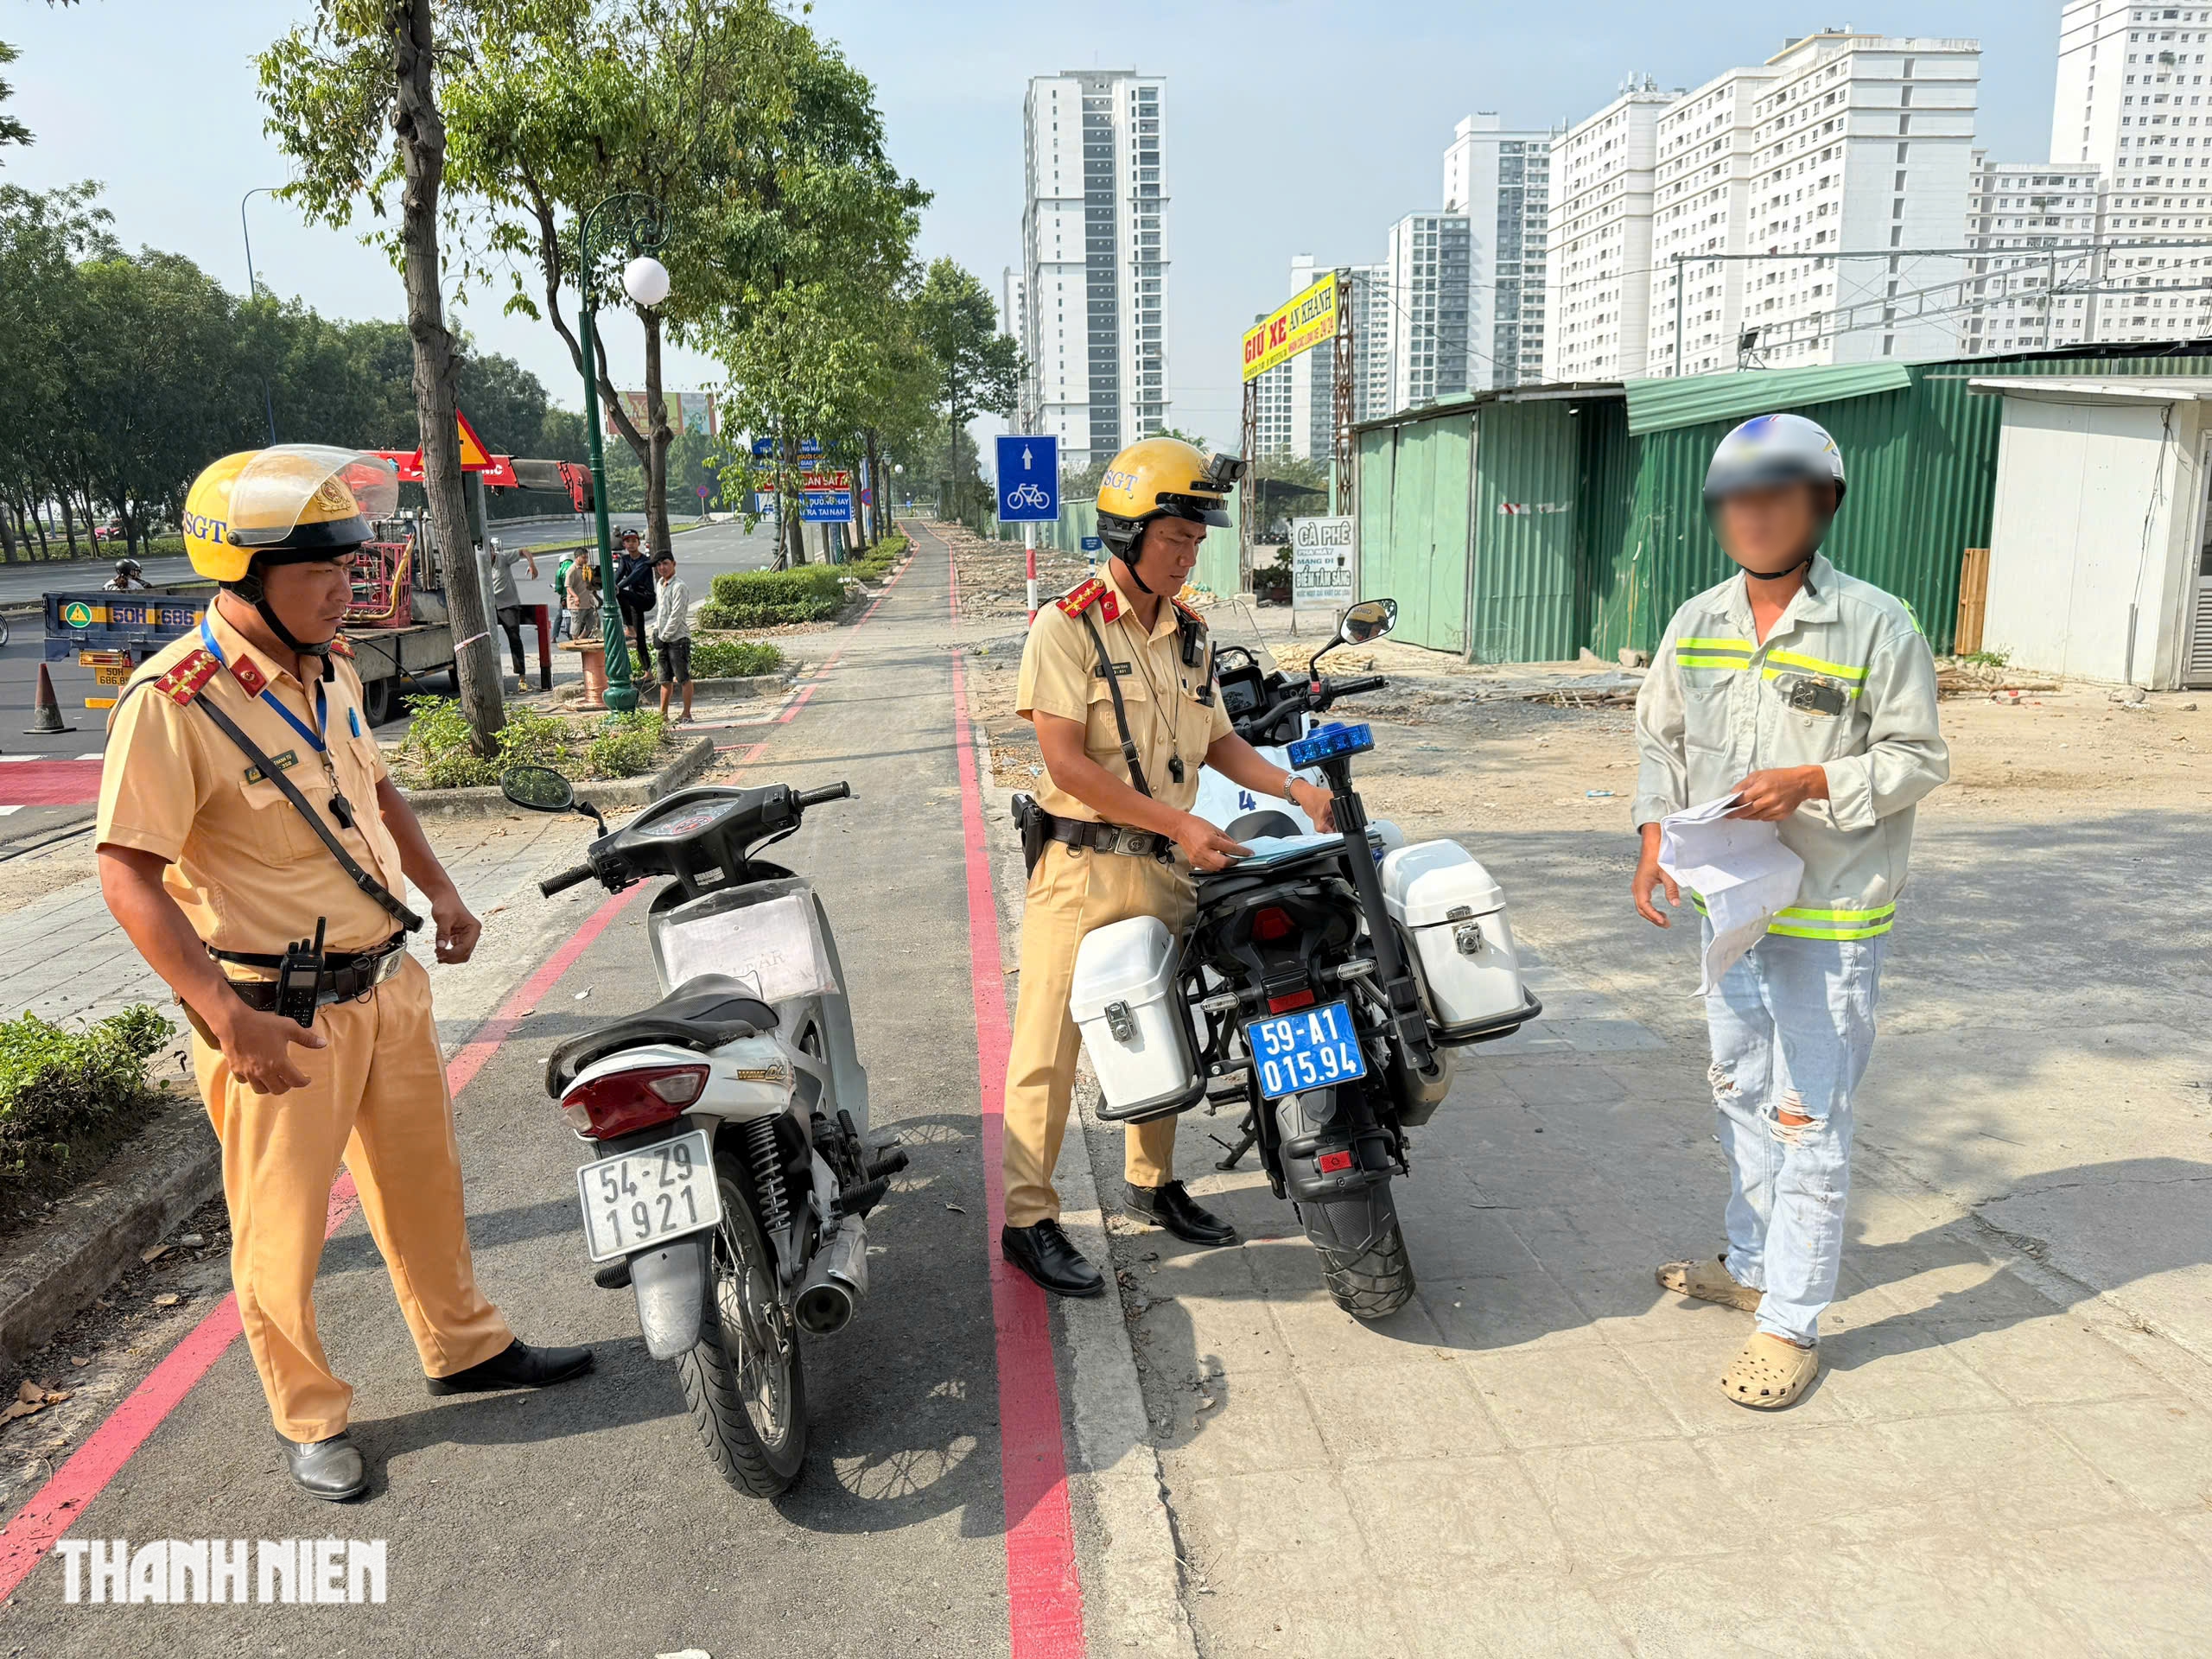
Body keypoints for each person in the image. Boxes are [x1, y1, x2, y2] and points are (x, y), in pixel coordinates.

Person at [97, 446, 591, 1500]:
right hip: (276, 1015)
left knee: (424, 1189)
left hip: (386, 985)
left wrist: (444, 893)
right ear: (242, 574)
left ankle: (464, 1345)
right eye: (319, 570)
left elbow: (375, 796)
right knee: (280, 1230)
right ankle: (308, 1413)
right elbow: (127, 875)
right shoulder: (174, 701)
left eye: (350, 563)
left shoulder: (331, 670)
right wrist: (225, 1016)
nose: (346, 586)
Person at [1632, 413, 1948, 1411]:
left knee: (1808, 1119)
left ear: (1823, 504)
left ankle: (1790, 1323)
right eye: (1736, 498)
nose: (1754, 516)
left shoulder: (1875, 624)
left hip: (1829, 917)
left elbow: (1917, 760)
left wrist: (1816, 776)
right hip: (1732, 909)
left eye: (1777, 495)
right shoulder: (1697, 621)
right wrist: (1651, 842)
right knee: (1736, 1094)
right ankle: (1755, 1262)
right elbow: (1660, 742)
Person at [1000, 436, 1343, 1298]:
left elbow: (1219, 739)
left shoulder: (1189, 633)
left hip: (1165, 868)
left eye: (1196, 542)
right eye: (1175, 540)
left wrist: (1292, 788)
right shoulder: (1066, 624)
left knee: (1156, 1026)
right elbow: (1067, 764)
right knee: (1048, 1045)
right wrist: (1179, 823)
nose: (1189, 557)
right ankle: (1028, 1219)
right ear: (1126, 534)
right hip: (1081, 869)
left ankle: (1150, 1183)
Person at [474, 536, 539, 694]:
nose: (487, 556)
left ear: (493, 551)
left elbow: (524, 551)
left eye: (489, 551)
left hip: (508, 604)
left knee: (514, 637)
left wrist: (532, 565)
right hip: (489, 606)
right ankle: (486, 676)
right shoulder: (478, 564)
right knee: (482, 638)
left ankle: (522, 676)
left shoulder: (503, 559)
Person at [649, 550, 693, 723]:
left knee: (683, 677)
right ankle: (663, 715)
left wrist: (664, 635)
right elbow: (661, 612)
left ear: (673, 564)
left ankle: (687, 713)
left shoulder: (679, 586)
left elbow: (676, 615)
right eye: (659, 565)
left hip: (678, 639)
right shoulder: (660, 584)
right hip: (663, 637)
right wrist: (655, 631)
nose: (662, 568)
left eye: (665, 563)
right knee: (664, 678)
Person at [614, 531, 658, 681]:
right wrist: (608, 584)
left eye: (634, 541)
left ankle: (629, 627)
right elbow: (618, 574)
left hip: (646, 599)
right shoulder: (624, 560)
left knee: (620, 593)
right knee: (640, 638)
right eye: (628, 541)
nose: (631, 544)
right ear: (624, 544)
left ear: (638, 543)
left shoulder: (645, 561)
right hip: (633, 601)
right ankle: (648, 672)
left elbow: (633, 578)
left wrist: (617, 588)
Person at [563, 552, 601, 644]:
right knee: (576, 624)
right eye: (583, 557)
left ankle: (581, 639)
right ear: (577, 557)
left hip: (588, 602)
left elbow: (590, 585)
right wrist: (575, 597)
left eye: (587, 557)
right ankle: (575, 641)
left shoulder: (586, 569)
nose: (586, 560)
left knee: (592, 622)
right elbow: (568, 586)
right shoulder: (572, 570)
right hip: (577, 604)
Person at [551, 550, 576, 642]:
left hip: (564, 597)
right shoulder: (575, 567)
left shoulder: (560, 571)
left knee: (559, 616)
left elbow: (559, 587)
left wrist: (558, 590)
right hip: (575, 596)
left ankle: (554, 637)